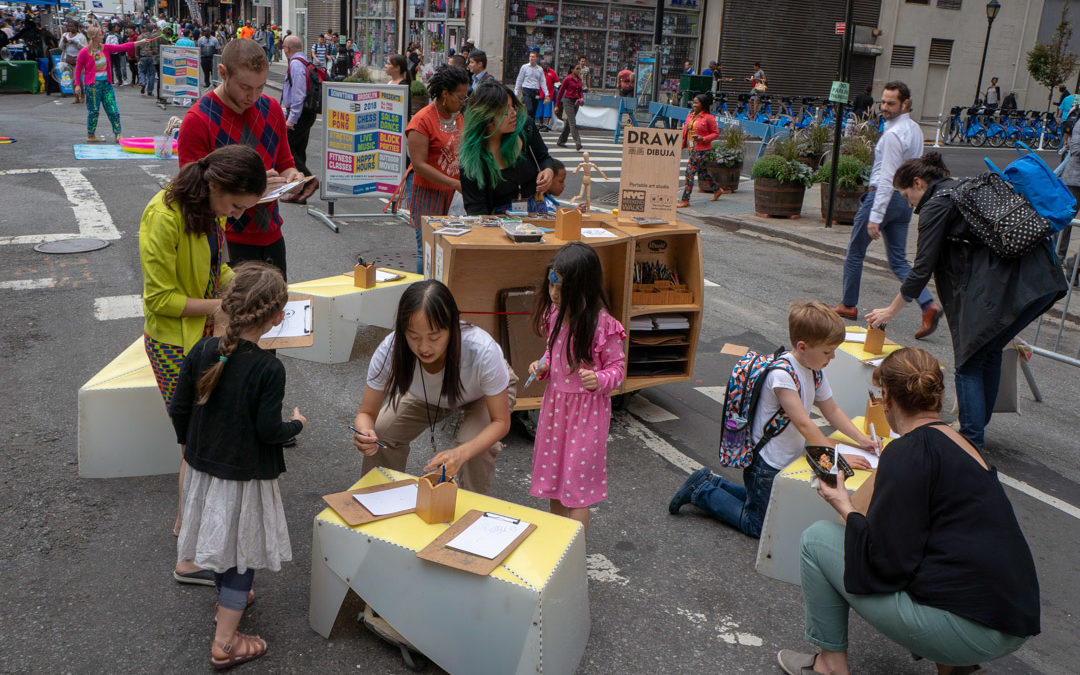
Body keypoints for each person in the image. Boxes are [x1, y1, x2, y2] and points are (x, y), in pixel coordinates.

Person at [776, 347, 1040, 675]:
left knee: (817, 540)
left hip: (969, 629)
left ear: (886, 397)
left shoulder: (909, 451)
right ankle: (955, 669)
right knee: (937, 551)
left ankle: (829, 665)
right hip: (1011, 619)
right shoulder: (964, 445)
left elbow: (884, 563)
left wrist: (842, 503)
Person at [866, 153, 1066, 450]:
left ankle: (970, 440)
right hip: (1042, 281)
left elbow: (922, 267)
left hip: (1007, 290)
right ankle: (976, 427)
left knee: (969, 362)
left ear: (919, 183)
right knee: (990, 350)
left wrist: (890, 311)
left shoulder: (936, 204)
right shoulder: (963, 188)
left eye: (907, 196)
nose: (909, 204)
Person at [139, 144, 268, 582]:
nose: (234, 217)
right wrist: (224, 307)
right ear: (214, 186)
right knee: (196, 449)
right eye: (234, 207)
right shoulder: (164, 216)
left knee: (198, 446)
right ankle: (189, 554)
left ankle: (189, 536)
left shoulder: (207, 208)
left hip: (204, 338)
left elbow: (218, 271)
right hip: (175, 345)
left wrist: (248, 288)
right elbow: (159, 300)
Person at [171, 261, 305, 669]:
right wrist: (296, 424)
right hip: (243, 477)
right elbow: (268, 430)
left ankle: (228, 602)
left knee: (214, 543)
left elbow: (179, 407)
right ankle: (225, 642)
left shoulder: (204, 350)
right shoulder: (269, 367)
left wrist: (192, 444)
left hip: (202, 468)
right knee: (241, 554)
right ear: (278, 318)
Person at [669, 301, 876, 537]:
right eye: (828, 351)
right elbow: (805, 424)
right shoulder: (782, 376)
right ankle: (701, 491)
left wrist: (861, 439)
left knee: (761, 502)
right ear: (803, 346)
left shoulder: (814, 369)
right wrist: (837, 459)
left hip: (785, 458)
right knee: (757, 524)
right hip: (766, 464)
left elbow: (832, 411)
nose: (833, 357)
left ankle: (710, 482)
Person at [351, 280, 515, 494]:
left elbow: (501, 422)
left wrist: (461, 453)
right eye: (413, 337)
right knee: (382, 432)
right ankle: (378, 500)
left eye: (434, 337)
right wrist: (364, 432)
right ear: (402, 332)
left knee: (472, 446)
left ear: (453, 327)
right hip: (427, 395)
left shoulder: (482, 349)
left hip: (483, 394)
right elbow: (366, 413)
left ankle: (471, 512)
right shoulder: (391, 348)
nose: (424, 347)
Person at [178, 37, 303, 279]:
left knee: (275, 311)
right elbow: (192, 193)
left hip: (272, 235)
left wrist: (292, 177)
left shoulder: (272, 109)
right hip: (225, 240)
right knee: (234, 313)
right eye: (245, 87)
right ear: (222, 73)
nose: (253, 96)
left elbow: (285, 162)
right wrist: (254, 189)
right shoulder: (198, 120)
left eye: (261, 87)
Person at [827, 81, 942, 339]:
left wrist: (875, 217)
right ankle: (928, 304)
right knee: (899, 259)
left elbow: (888, 175)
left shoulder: (892, 135)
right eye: (883, 102)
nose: (885, 107)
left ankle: (848, 304)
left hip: (884, 196)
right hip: (904, 201)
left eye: (891, 103)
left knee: (855, 253)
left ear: (906, 103)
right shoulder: (913, 129)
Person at [528, 243, 626, 533]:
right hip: (556, 409)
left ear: (584, 290)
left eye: (562, 291)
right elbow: (553, 351)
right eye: (552, 287)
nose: (555, 296)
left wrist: (600, 380)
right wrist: (543, 365)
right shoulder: (556, 315)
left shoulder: (603, 325)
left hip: (587, 415)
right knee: (555, 481)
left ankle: (573, 554)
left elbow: (618, 369)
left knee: (577, 486)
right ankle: (557, 547)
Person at [403, 65, 469, 269]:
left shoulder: (457, 117)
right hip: (426, 191)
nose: (462, 103)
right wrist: (454, 183)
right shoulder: (422, 120)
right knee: (427, 247)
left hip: (452, 193)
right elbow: (419, 165)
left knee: (448, 244)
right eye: (459, 97)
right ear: (444, 93)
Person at [460, 80, 557, 215]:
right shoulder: (472, 160)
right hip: (496, 226)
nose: (514, 113)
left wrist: (548, 171)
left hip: (536, 214)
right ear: (486, 117)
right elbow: (476, 210)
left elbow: (544, 157)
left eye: (513, 107)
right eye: (506, 110)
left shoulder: (525, 127)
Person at [73, 26, 144, 143]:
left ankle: (118, 134)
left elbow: (122, 47)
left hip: (106, 84)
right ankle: (91, 134)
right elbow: (78, 69)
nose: (103, 36)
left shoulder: (105, 48)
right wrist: (77, 85)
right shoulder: (84, 52)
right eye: (100, 35)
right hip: (92, 86)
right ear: (95, 37)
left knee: (113, 109)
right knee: (93, 111)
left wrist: (139, 42)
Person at [280, 34, 321, 205]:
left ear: (287, 48)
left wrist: (291, 118)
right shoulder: (304, 61)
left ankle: (310, 181)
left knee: (288, 149)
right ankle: (302, 190)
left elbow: (299, 93)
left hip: (300, 113)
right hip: (307, 113)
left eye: (283, 47)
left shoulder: (296, 64)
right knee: (299, 149)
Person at [676, 94, 720, 208]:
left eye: (696, 103)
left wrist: (703, 138)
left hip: (702, 149)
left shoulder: (709, 117)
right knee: (703, 173)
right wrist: (681, 144)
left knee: (689, 173)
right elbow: (685, 131)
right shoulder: (690, 116)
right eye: (693, 102)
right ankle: (717, 189)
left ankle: (685, 200)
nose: (694, 105)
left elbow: (716, 133)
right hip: (692, 147)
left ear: (703, 105)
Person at [513, 47, 550, 125]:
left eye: (533, 57)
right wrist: (516, 91)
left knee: (534, 110)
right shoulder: (524, 67)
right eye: (530, 57)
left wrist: (547, 94)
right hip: (527, 89)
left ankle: (531, 125)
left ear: (536, 58)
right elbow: (519, 79)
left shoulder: (539, 69)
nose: (531, 58)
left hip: (535, 90)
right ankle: (526, 123)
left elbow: (543, 82)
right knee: (529, 108)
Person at [555, 62, 584, 151]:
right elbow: (560, 92)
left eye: (579, 69)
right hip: (568, 102)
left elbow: (580, 90)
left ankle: (561, 140)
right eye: (577, 69)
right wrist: (557, 105)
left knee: (568, 123)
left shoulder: (579, 79)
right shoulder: (567, 79)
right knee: (572, 122)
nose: (578, 71)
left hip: (576, 102)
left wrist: (582, 98)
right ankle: (578, 142)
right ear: (572, 70)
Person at [60, 20, 87, 103]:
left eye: (73, 26)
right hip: (68, 60)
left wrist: (76, 43)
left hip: (79, 61)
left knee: (77, 78)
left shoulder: (81, 36)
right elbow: (60, 47)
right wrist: (64, 42)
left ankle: (82, 94)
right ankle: (76, 97)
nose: (71, 28)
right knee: (72, 79)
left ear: (77, 27)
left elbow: (85, 48)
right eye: (70, 26)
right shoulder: (65, 35)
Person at [136, 24, 161, 97]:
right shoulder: (155, 37)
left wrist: (137, 57)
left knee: (141, 71)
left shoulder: (140, 37)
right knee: (152, 74)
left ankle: (143, 82)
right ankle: (150, 91)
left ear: (145, 29)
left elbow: (137, 48)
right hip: (152, 57)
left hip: (143, 56)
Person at [537, 60, 558, 131]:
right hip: (540, 94)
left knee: (547, 110)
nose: (545, 66)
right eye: (543, 64)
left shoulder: (552, 72)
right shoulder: (538, 72)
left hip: (549, 95)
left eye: (546, 64)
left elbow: (557, 82)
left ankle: (546, 124)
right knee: (540, 110)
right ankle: (540, 124)